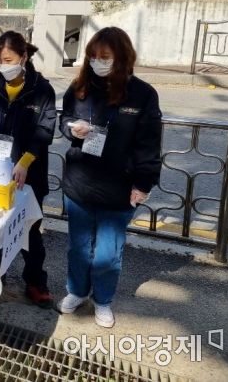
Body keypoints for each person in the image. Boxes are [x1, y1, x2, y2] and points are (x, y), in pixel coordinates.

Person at [58, 27, 161, 328]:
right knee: (78, 246)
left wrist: (143, 183)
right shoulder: (80, 88)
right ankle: (76, 291)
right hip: (79, 184)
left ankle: (102, 300)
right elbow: (64, 118)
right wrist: (70, 128)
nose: (97, 62)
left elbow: (149, 143)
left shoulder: (142, 94)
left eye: (105, 57)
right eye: (93, 56)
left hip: (119, 189)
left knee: (108, 252)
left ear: (122, 58)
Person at [0, 31, 57, 307]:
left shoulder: (42, 90)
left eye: (8, 59)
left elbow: (45, 130)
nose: (3, 65)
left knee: (29, 229)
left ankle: (34, 281)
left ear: (24, 57)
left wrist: (25, 162)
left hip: (28, 173)